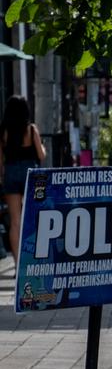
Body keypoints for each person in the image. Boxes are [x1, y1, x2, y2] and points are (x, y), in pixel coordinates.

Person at [1, 95, 45, 259]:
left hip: (11, 172)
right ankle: (31, 260)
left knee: (15, 221)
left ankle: (18, 263)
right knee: (32, 217)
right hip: (30, 174)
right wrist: (43, 148)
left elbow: (0, 160)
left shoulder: (4, 132)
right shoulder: (31, 129)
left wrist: (2, 177)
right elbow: (41, 155)